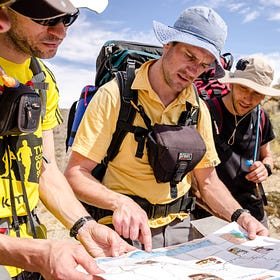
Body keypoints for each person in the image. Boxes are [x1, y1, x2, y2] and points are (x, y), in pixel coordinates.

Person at [65, 6, 269, 252]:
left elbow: (207, 181)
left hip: (181, 229)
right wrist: (119, 202)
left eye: (204, 65)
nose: (193, 71)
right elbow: (76, 173)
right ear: (168, 45)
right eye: (189, 56)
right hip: (123, 232)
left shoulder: (196, 107)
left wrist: (240, 216)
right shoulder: (115, 95)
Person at [0, 0, 134, 279]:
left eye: (68, 19)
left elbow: (43, 166)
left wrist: (85, 226)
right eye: (47, 18)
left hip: (30, 253)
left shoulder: (42, 79)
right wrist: (33, 253)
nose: (60, 32)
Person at [191, 55, 280, 227]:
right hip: (211, 214)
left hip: (254, 212)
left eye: (257, 93)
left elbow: (267, 155)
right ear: (231, 84)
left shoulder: (260, 116)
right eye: (243, 88)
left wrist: (266, 168)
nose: (248, 98)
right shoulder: (206, 112)